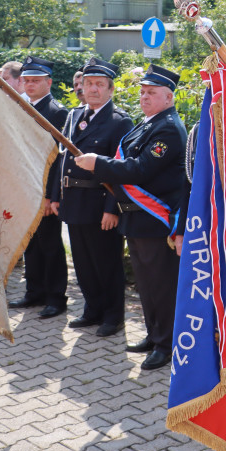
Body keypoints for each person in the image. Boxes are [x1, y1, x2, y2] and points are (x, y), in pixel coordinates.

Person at [73, 65, 188, 370]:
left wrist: (98, 162)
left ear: (168, 97)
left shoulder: (169, 128)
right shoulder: (146, 124)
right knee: (147, 285)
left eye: (152, 93)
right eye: (143, 91)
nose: (144, 96)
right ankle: (154, 335)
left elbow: (141, 169)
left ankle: (166, 346)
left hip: (155, 221)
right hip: (136, 220)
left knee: (162, 286)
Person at [50, 57, 133, 338]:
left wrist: (113, 209)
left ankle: (113, 316)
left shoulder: (119, 122)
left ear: (110, 90)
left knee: (106, 262)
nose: (93, 89)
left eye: (100, 85)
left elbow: (121, 169)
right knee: (84, 263)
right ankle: (92, 309)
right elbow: (61, 160)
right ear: (81, 87)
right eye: (88, 84)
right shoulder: (75, 117)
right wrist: (55, 195)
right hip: (73, 201)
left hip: (100, 204)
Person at [8, 56, 69, 318]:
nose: (30, 85)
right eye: (27, 80)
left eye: (36, 81)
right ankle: (34, 292)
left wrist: (49, 196)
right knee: (30, 243)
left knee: (50, 245)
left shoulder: (58, 112)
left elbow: (58, 160)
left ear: (49, 82)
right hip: (24, 188)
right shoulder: (21, 106)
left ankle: (56, 298)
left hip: (43, 191)